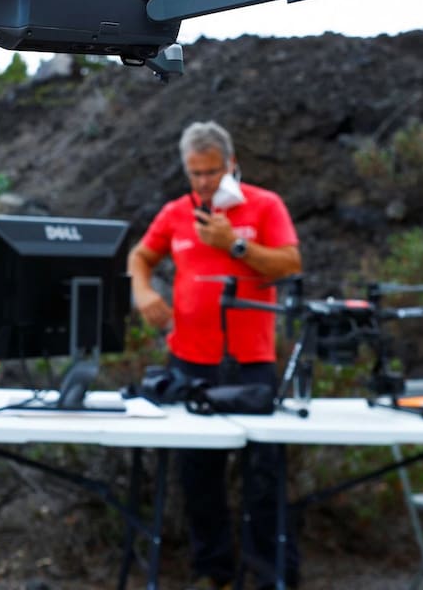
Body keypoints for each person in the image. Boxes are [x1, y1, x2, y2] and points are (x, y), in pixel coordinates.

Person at [128, 121, 302, 590]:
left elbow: (290, 263)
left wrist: (235, 245)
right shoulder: (174, 213)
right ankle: (214, 572)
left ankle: (270, 576)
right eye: (194, 173)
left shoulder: (264, 205)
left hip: (250, 362)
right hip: (190, 360)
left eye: (211, 171)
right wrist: (144, 292)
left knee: (263, 475)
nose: (203, 181)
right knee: (198, 476)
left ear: (230, 164)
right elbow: (140, 257)